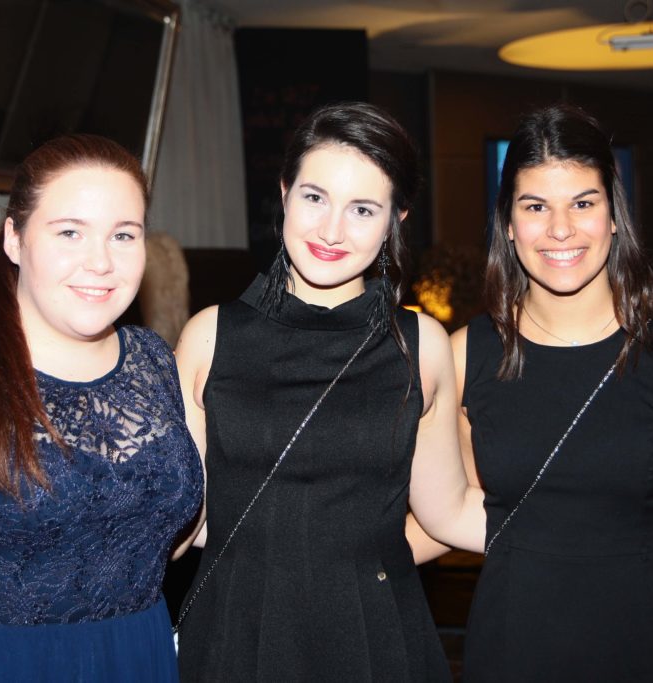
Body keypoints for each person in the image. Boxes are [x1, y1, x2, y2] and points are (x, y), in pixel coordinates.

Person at [174, 102, 485, 682]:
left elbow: (447, 513)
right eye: (315, 197)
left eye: (363, 209)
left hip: (375, 632)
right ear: (285, 193)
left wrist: (595, 521)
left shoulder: (421, 346)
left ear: (396, 219)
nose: (332, 231)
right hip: (236, 628)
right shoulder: (209, 336)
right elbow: (189, 521)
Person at [411, 103, 653, 680]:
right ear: (508, 222)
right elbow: (452, 510)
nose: (561, 229)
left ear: (614, 216)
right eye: (536, 206)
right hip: (516, 647)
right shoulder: (464, 356)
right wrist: (318, 573)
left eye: (583, 204)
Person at [0, 135, 203, 681]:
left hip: (139, 656)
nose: (101, 262)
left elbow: (167, 533)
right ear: (14, 239)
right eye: (69, 232)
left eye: (123, 235)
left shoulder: (153, 361)